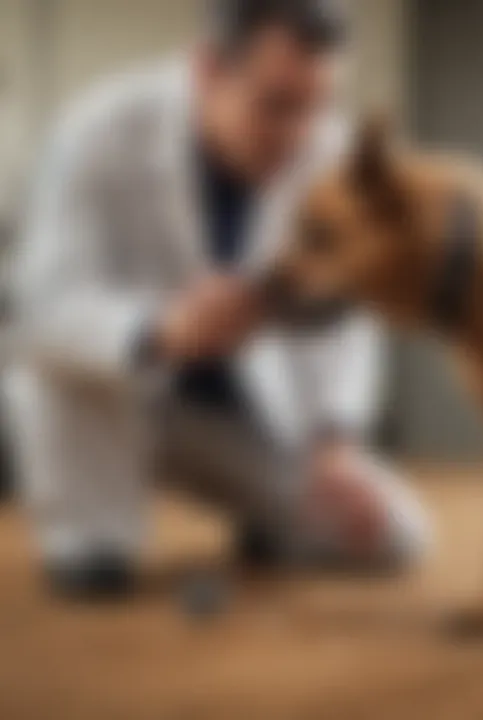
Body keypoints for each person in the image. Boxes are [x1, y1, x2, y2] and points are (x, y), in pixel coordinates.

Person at [6, 0, 430, 600]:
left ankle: (271, 524)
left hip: (239, 412)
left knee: (395, 536)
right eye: (276, 105)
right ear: (206, 70)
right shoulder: (95, 129)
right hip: (109, 406)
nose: (299, 135)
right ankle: (91, 540)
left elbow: (343, 316)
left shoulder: (326, 153)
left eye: (318, 105)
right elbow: (36, 312)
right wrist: (158, 329)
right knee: (55, 385)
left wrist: (334, 444)